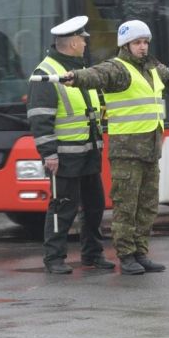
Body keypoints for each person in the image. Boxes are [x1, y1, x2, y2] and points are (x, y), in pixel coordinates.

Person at [63, 20, 169, 275]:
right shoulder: (118, 69)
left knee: (147, 205)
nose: (143, 47)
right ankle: (126, 255)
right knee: (126, 206)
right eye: (137, 42)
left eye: (145, 42)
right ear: (126, 45)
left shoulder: (153, 69)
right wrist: (76, 78)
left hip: (150, 150)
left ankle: (141, 252)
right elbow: (97, 74)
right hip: (126, 152)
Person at [27, 16, 115, 274]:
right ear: (74, 43)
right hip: (64, 157)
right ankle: (54, 258)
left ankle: (92, 254)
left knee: (95, 206)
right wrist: (49, 154)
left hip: (89, 153)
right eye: (83, 40)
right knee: (62, 208)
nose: (86, 44)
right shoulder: (45, 74)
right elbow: (39, 119)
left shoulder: (82, 70)